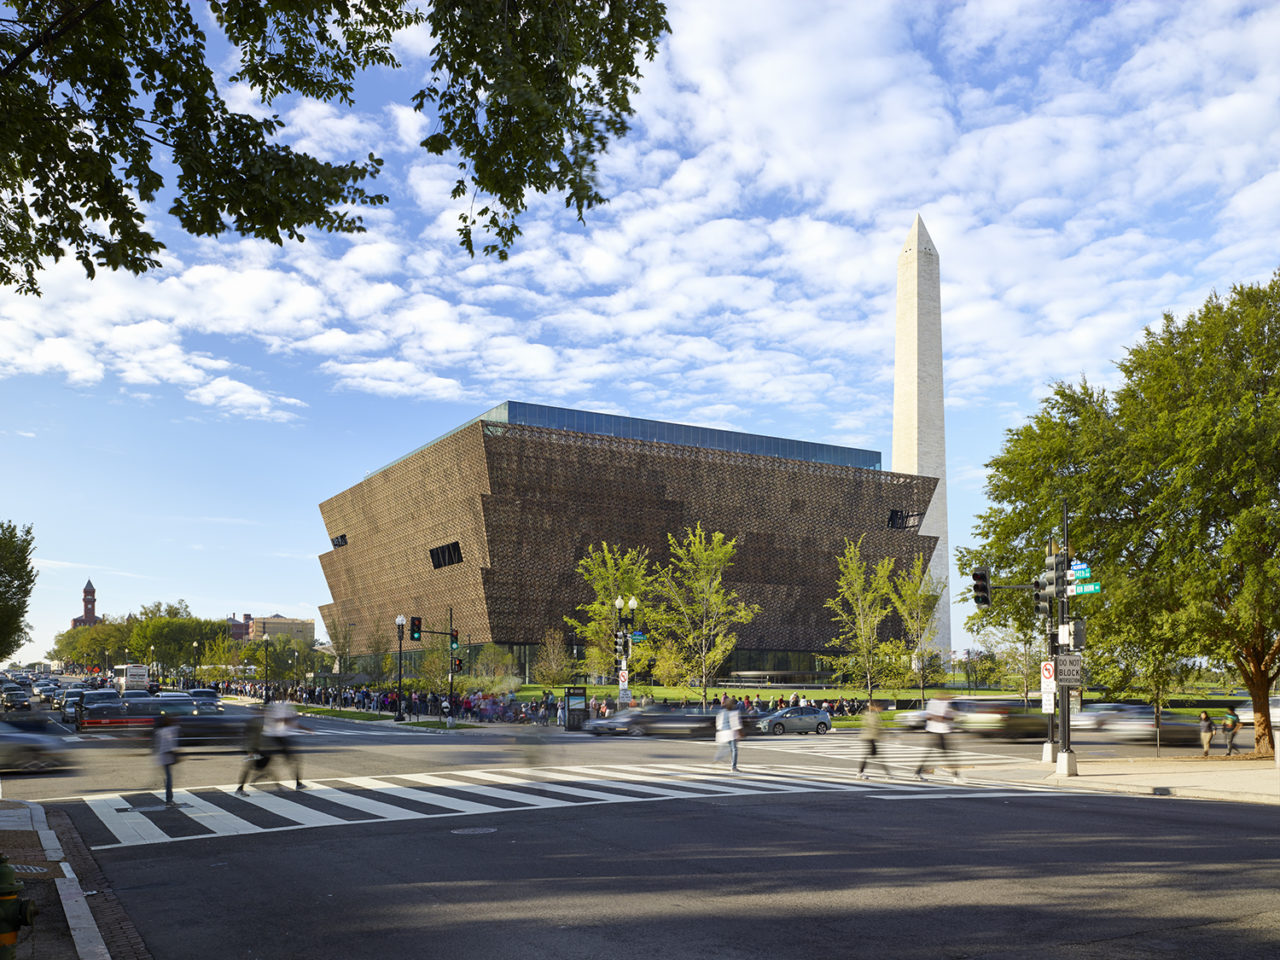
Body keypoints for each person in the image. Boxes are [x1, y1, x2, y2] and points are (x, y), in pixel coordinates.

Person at [914, 693, 959, 779]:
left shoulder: (939, 703)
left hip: (938, 731)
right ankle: (956, 776)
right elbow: (931, 716)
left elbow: (931, 716)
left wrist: (943, 717)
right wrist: (943, 717)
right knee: (947, 755)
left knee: (930, 754)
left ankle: (918, 772)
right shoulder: (937, 703)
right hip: (939, 732)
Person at [263, 698, 305, 788]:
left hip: (271, 738)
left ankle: (298, 782)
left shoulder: (271, 710)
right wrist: (293, 718)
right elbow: (283, 720)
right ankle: (298, 783)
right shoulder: (276, 711)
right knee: (293, 761)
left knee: (268, 760)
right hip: (278, 738)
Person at [153, 714, 180, 806]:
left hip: (162, 757)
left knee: (168, 777)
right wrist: (175, 753)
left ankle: (169, 798)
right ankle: (169, 799)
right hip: (167, 757)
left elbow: (157, 745)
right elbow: (169, 744)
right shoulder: (170, 730)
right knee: (169, 778)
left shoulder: (159, 731)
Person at [857, 701, 888, 778]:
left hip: (870, 737)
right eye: (880, 707)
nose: (881, 709)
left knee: (872, 755)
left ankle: (861, 772)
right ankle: (860, 772)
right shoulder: (871, 715)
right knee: (875, 755)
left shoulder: (871, 714)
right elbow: (874, 727)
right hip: (870, 737)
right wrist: (881, 734)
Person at [714, 695, 743, 772]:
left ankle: (717, 758)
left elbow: (718, 723)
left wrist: (719, 730)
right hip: (731, 733)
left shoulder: (722, 712)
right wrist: (740, 733)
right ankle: (733, 767)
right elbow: (736, 724)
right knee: (734, 750)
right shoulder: (734, 713)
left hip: (722, 732)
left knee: (723, 748)